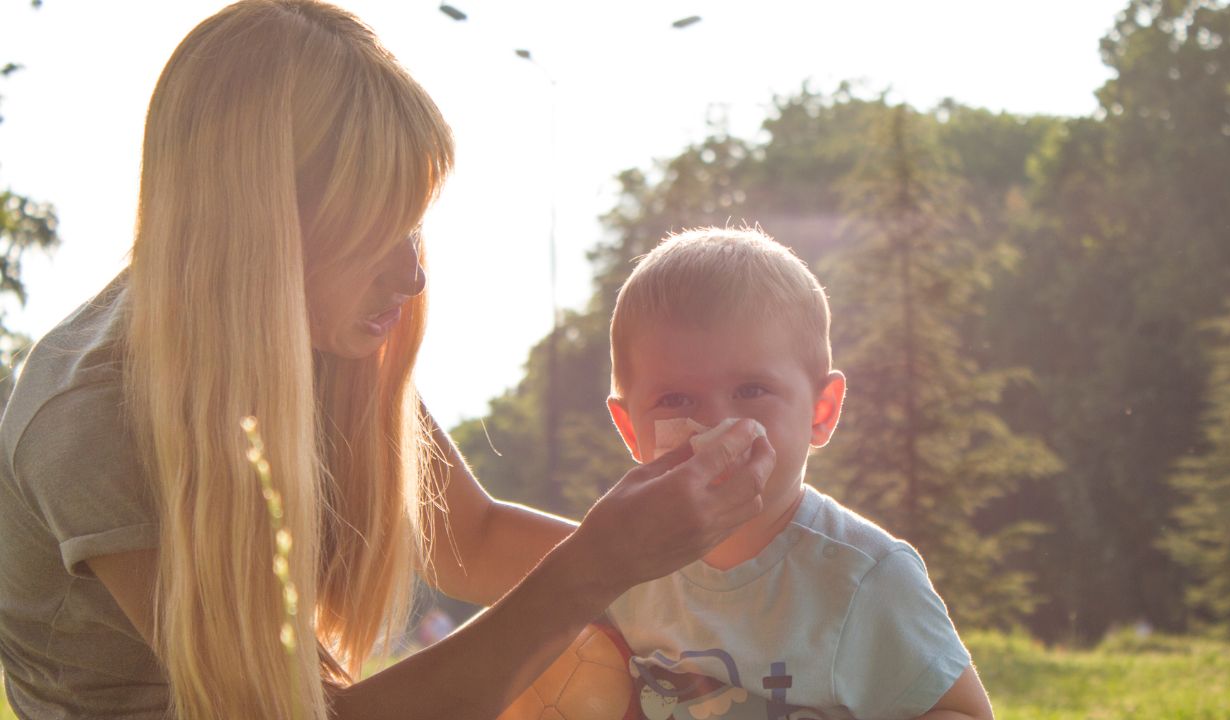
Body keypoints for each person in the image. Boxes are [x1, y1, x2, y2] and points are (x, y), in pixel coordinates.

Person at [0, 3, 775, 719]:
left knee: (591, 653)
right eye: (376, 231)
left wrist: (723, 585)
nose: (412, 276)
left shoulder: (317, 338)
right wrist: (598, 569)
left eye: (414, 228)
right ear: (261, 228)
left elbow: (470, 538)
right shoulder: (94, 416)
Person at [603, 227, 994, 719]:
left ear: (821, 412)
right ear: (630, 429)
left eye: (751, 390)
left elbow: (963, 713)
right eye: (675, 400)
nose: (717, 426)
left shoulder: (862, 576)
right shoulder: (620, 568)